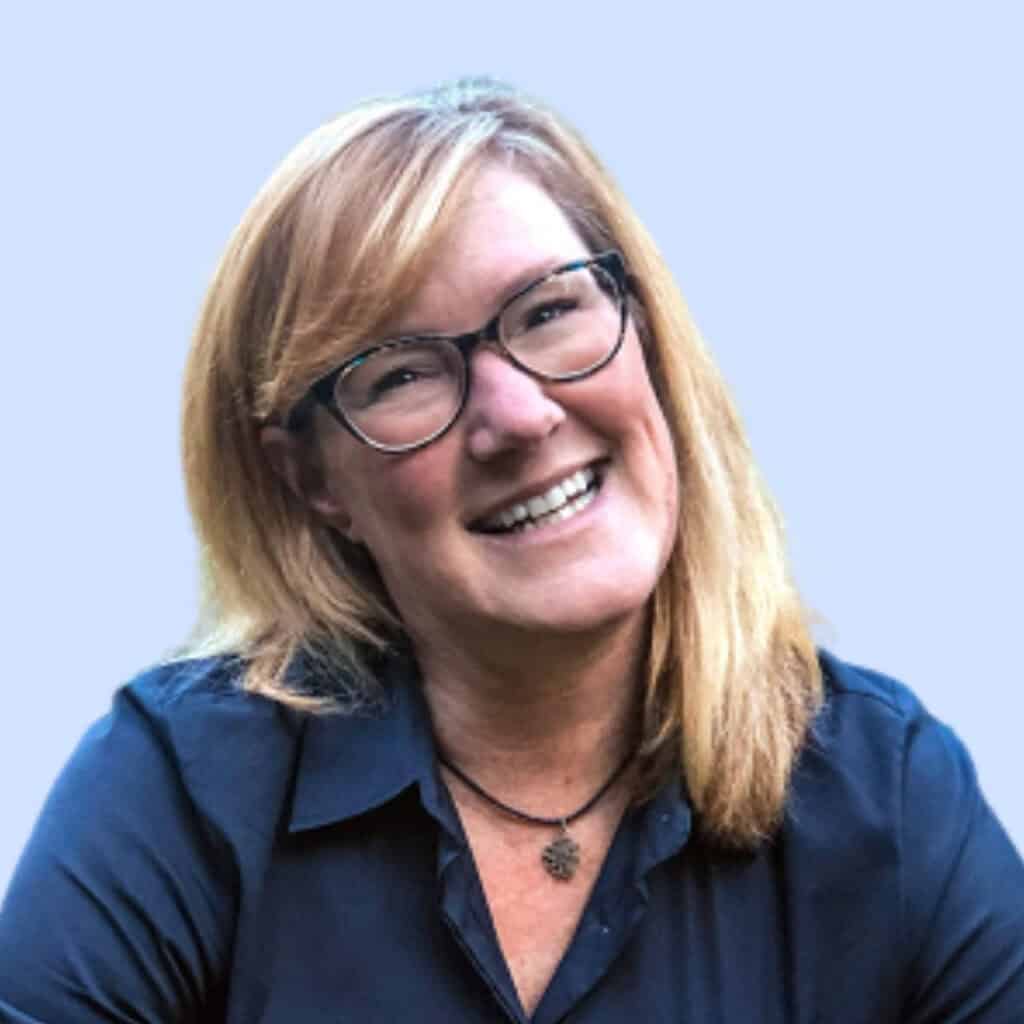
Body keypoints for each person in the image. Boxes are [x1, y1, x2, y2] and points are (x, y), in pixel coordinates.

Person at [1, 77, 1021, 1023]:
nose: (520, 416)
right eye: (401, 374)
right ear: (312, 481)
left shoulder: (889, 796)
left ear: (645, 331)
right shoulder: (183, 791)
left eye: (549, 311)